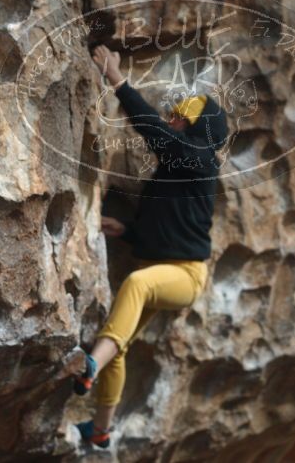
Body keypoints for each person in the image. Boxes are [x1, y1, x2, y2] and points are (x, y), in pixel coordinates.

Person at [69, 45, 229, 448]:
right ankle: (101, 431)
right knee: (118, 345)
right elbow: (169, 226)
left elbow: (152, 130)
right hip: (165, 265)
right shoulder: (177, 169)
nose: (173, 119)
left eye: (182, 116)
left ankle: (90, 365)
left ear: (197, 128)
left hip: (186, 275)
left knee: (137, 284)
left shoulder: (199, 158)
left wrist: (117, 80)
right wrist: (128, 232)